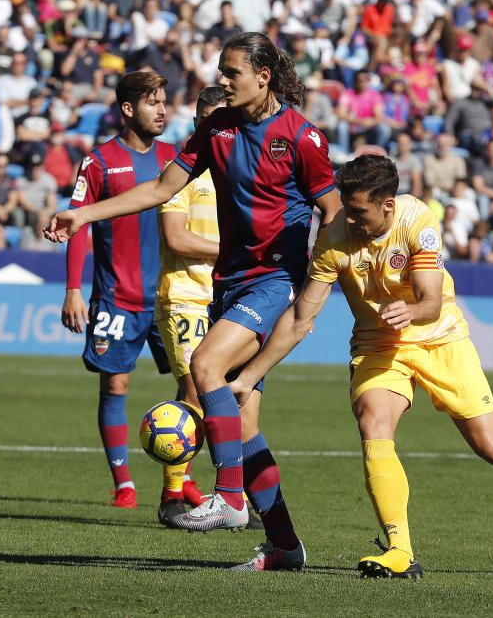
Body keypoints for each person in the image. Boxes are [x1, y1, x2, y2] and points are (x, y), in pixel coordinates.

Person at [229, 154, 493, 579]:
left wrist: (410, 310)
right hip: (378, 345)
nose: (349, 220)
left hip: (439, 337)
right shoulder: (334, 238)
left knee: (492, 447)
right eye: (346, 210)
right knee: (373, 421)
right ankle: (399, 550)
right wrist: (249, 376)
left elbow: (429, 299)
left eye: (359, 212)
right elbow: (301, 317)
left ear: (387, 205)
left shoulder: (416, 220)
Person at [47, 32, 341, 570]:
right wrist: (83, 214)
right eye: (222, 70)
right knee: (243, 420)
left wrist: (320, 283)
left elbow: (335, 212)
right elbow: (161, 188)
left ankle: (229, 498)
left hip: (275, 280)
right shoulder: (215, 129)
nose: (222, 80)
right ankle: (284, 545)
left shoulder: (301, 137)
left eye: (232, 72)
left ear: (263, 76)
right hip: (228, 281)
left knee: (205, 365)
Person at [60, 70, 204, 517]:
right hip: (116, 296)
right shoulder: (100, 161)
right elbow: (78, 225)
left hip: (169, 295)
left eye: (164, 102)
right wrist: (72, 290)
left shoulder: (175, 159)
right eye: (153, 102)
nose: (163, 110)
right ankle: (123, 482)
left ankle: (177, 483)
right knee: (116, 383)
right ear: (128, 108)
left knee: (193, 386)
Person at [154, 85, 261, 530]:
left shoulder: (238, 172)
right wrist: (232, 251)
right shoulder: (182, 171)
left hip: (227, 298)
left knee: (245, 401)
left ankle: (244, 496)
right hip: (185, 296)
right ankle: (172, 495)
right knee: (197, 392)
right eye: (214, 120)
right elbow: (176, 237)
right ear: (200, 122)